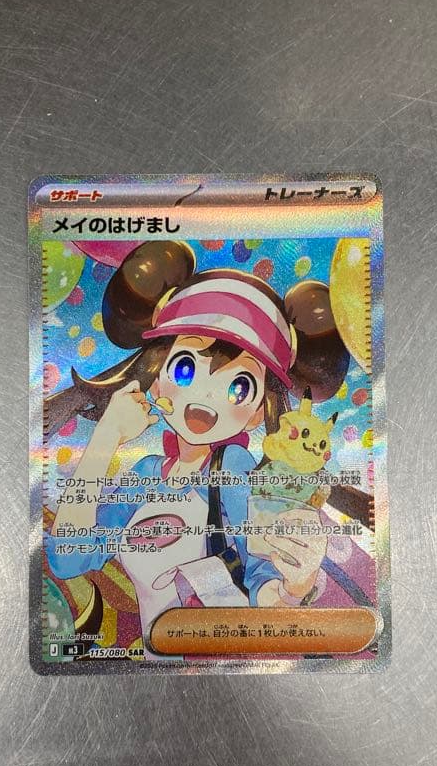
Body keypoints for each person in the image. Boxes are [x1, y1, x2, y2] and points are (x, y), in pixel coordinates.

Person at [45, 240, 351, 646]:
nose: (205, 398)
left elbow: (263, 582)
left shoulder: (233, 467)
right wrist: (105, 438)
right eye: (186, 368)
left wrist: (297, 585)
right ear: (156, 378)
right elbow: (69, 558)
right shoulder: (147, 474)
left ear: (257, 412)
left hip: (220, 653)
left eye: (239, 387)